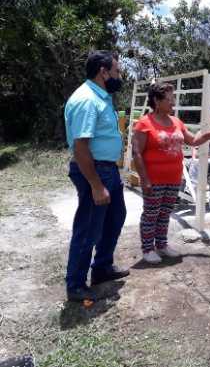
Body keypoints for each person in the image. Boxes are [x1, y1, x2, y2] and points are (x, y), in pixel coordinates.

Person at [131, 82, 210, 264]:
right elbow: (137, 152)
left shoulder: (176, 122)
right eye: (169, 99)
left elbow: (192, 140)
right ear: (157, 101)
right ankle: (147, 249)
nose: (173, 103)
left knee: (165, 213)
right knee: (151, 214)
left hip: (173, 178)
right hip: (154, 179)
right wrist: (144, 179)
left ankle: (162, 245)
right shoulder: (144, 123)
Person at [64, 50, 129, 302]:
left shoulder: (101, 96)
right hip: (94, 171)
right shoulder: (87, 99)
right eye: (117, 71)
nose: (119, 75)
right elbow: (81, 147)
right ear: (103, 71)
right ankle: (76, 285)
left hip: (107, 169)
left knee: (115, 217)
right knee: (89, 228)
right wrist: (95, 185)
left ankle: (101, 268)